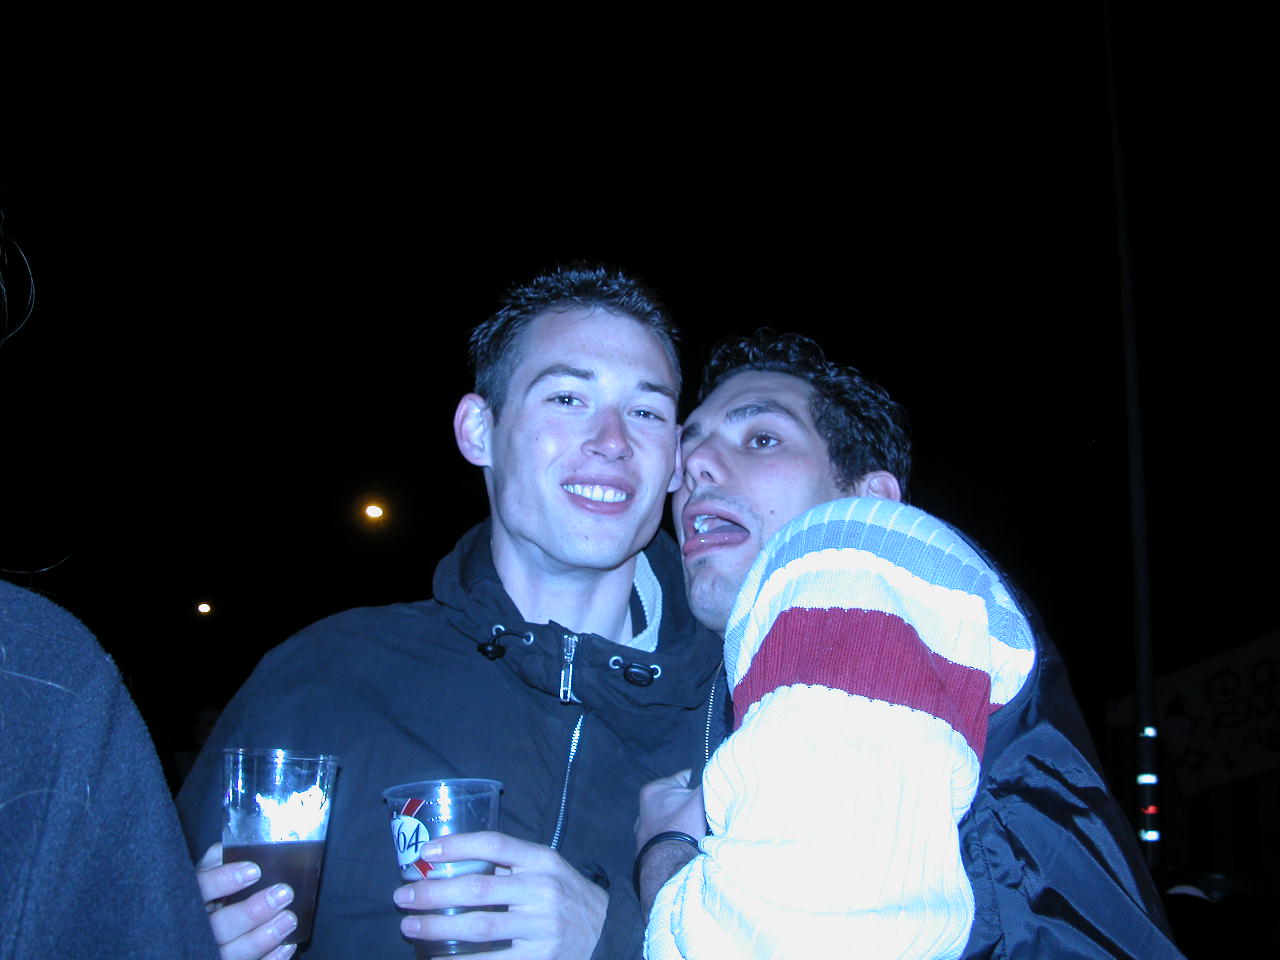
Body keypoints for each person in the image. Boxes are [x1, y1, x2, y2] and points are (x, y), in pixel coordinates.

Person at [177, 264, 724, 959]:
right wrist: (178, 937)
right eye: (567, 398)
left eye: (647, 412)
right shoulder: (322, 679)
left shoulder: (747, 720)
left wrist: (616, 938)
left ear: (675, 460)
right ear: (478, 431)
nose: (613, 440)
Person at [638, 331, 1183, 959]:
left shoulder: (852, 546)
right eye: (689, 445)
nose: (694, 465)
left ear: (870, 495)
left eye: (762, 438)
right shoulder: (838, 633)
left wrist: (662, 855)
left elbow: (806, 940)